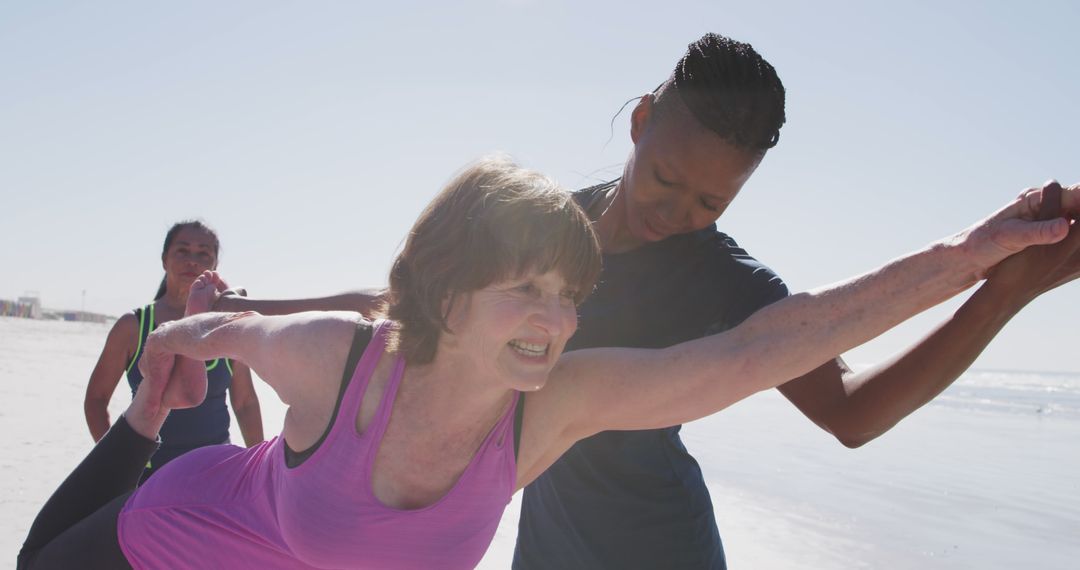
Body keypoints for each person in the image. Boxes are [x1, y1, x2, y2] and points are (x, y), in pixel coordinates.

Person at [211, 34, 1080, 568]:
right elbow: (405, 305)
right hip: (544, 547)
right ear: (640, 120)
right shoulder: (550, 227)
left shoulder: (725, 283)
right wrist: (250, 311)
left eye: (710, 204)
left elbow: (850, 413)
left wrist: (1001, 293)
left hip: (659, 552)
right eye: (665, 179)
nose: (677, 214)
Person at [19, 157, 1079, 569]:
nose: (554, 317)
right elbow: (222, 333)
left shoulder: (556, 405)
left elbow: (768, 346)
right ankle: (141, 439)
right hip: (160, 536)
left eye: (569, 295)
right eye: (525, 288)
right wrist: (169, 365)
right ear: (444, 296)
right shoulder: (344, 364)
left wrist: (974, 257)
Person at [83, 220, 264, 481]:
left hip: (214, 475)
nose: (192, 261)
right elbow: (96, 400)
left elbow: (245, 402)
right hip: (147, 477)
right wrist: (119, 463)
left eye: (203, 253)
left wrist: (258, 470)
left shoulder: (228, 325)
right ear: (164, 259)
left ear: (214, 266)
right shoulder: (133, 326)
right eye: (182, 250)